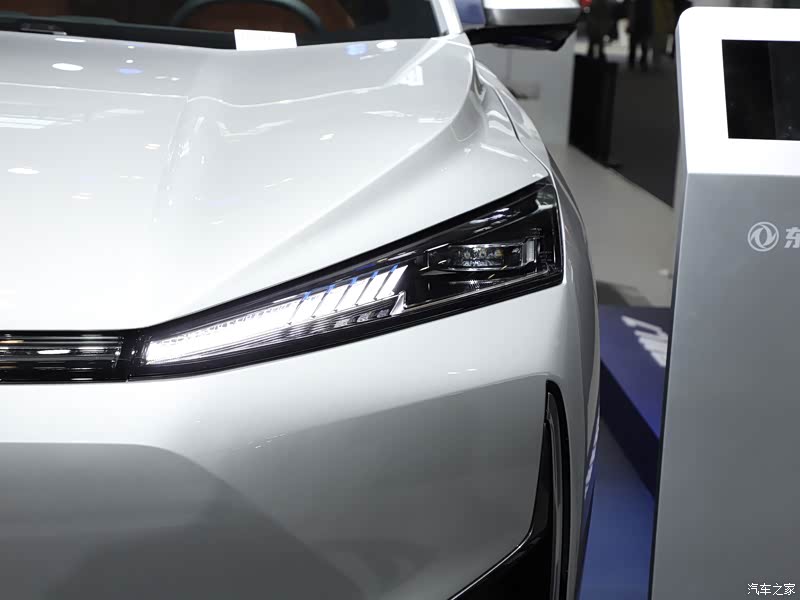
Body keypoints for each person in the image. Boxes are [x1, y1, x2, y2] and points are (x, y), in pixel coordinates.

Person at [627, 0, 653, 71]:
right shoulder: (647, 3)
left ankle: (635, 62)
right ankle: (640, 62)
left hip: (641, 23)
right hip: (641, 23)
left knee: (638, 44)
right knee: (640, 45)